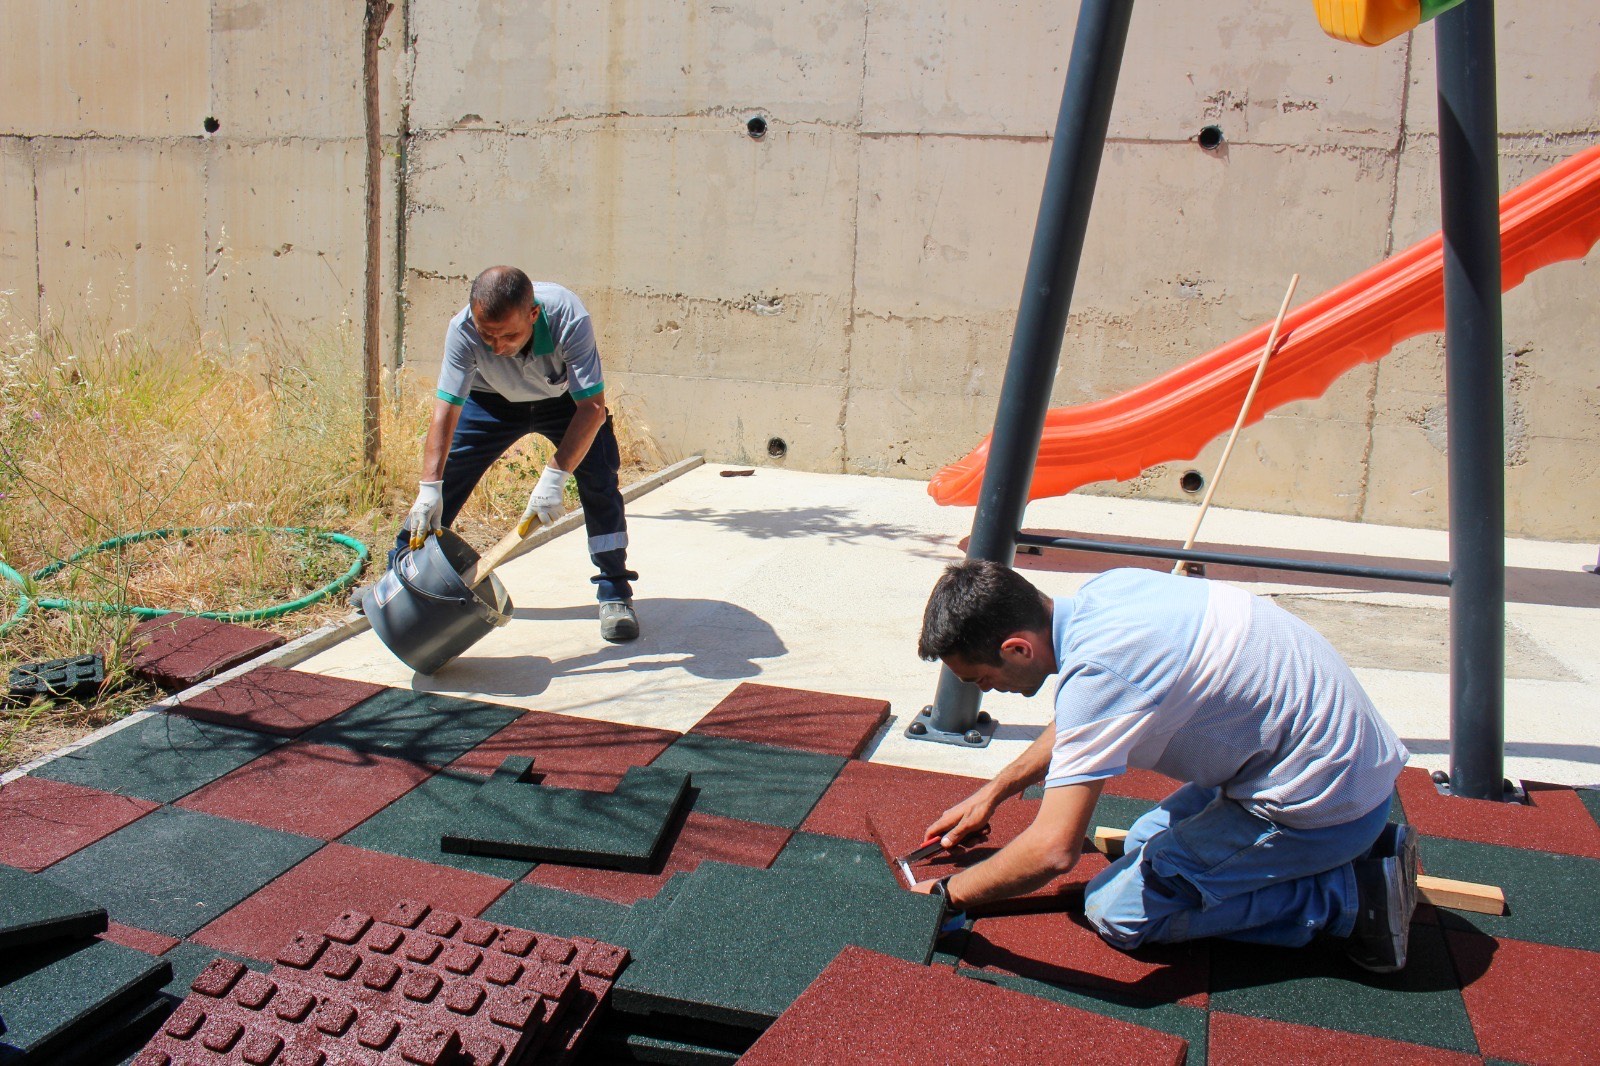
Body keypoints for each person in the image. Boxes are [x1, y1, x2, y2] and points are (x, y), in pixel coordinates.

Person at [912, 560, 1419, 972]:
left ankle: (1349, 897)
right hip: (1340, 765)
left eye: (979, 676)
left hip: (1324, 806)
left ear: (1016, 648)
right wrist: (995, 791)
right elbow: (1084, 711)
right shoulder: (1110, 591)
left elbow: (1052, 852)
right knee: (1140, 843)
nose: (981, 689)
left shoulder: (1100, 673)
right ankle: (1346, 854)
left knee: (1115, 912)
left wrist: (945, 896)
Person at [390, 265, 639, 642]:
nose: (495, 347)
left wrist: (555, 476)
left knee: (600, 480)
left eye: (508, 335)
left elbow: (592, 408)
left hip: (565, 403)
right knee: (448, 478)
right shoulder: (462, 329)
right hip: (491, 401)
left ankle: (615, 592)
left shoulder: (568, 316)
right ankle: (397, 578)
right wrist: (429, 486)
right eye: (485, 334)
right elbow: (446, 410)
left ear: (533, 315)